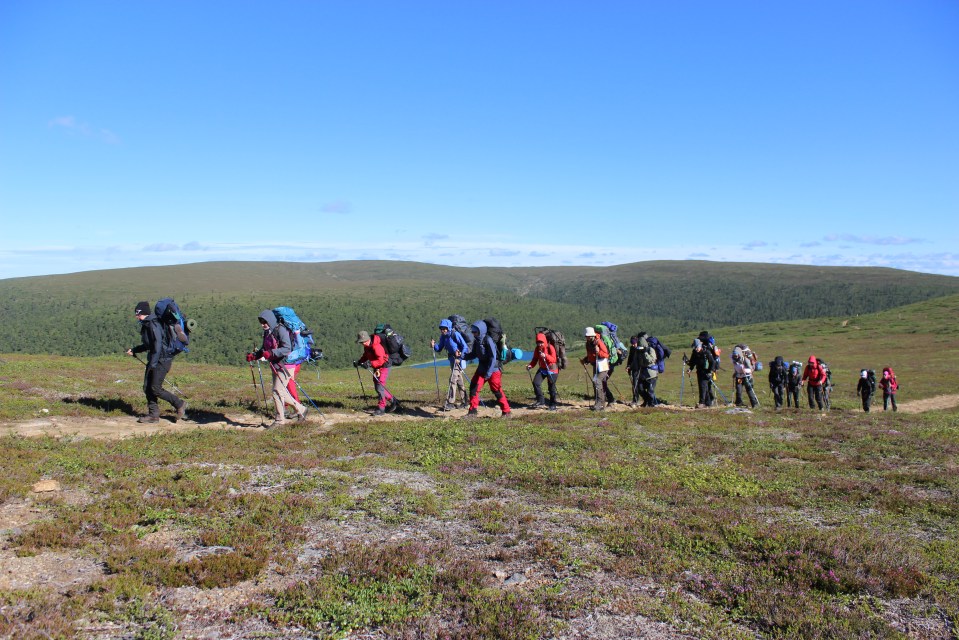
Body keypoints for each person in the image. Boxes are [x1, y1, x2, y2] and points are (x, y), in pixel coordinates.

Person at [126, 301, 188, 424]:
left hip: (162, 360)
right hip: (156, 359)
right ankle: (153, 415)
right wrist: (135, 350)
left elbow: (157, 345)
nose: (136, 316)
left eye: (138, 314)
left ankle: (180, 404)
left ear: (143, 313)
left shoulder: (152, 324)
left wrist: (153, 364)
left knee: (155, 388)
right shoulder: (148, 323)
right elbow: (149, 344)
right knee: (147, 387)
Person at [247, 310, 309, 428]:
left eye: (264, 322)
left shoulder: (281, 330)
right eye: (261, 322)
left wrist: (271, 353)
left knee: (277, 391)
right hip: (276, 364)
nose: (263, 324)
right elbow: (264, 349)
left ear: (270, 320)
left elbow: (287, 348)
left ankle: (279, 421)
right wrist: (255, 356)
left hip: (286, 365)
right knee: (281, 391)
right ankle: (302, 409)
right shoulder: (268, 331)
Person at [459, 320, 511, 418]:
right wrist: (462, 356)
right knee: (474, 387)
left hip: (493, 370)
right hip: (482, 369)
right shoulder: (477, 341)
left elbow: (493, 357)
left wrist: (489, 373)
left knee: (496, 390)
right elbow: (474, 354)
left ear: (481, 331)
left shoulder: (488, 340)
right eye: (472, 331)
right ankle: (472, 412)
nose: (473, 333)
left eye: (475, 331)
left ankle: (507, 411)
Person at [354, 330, 398, 416]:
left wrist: (370, 364)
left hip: (384, 366)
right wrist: (359, 362)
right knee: (377, 387)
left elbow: (381, 361)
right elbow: (366, 355)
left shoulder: (376, 346)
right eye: (361, 342)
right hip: (377, 367)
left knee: (379, 387)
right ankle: (393, 401)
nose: (363, 343)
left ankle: (381, 409)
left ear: (368, 339)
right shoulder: (367, 346)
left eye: (364, 341)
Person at [432, 319, 469, 411]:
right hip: (452, 360)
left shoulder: (455, 334)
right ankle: (465, 401)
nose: (443, 330)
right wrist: (434, 345)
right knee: (459, 381)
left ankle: (450, 403)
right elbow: (439, 348)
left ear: (448, 328)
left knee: (452, 379)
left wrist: (460, 357)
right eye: (441, 329)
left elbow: (465, 346)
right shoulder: (443, 337)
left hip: (459, 360)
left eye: (444, 328)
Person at [580, 326, 609, 411]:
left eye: (588, 336)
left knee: (597, 381)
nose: (587, 337)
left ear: (592, 335)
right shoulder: (588, 343)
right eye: (586, 336)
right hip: (595, 365)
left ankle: (600, 403)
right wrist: (585, 360)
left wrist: (598, 352)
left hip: (603, 365)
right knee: (595, 383)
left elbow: (606, 354)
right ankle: (599, 403)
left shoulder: (599, 342)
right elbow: (590, 355)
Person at [527, 332, 558, 410]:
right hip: (543, 369)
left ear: (544, 341)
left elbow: (554, 359)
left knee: (551, 387)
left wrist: (546, 356)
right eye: (538, 342)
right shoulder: (537, 349)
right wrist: (530, 365)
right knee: (536, 383)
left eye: (541, 342)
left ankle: (553, 404)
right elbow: (535, 359)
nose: (539, 344)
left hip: (552, 369)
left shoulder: (550, 347)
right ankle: (540, 401)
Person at [686, 338, 714, 408]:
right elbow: (692, 362)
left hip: (707, 372)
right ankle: (708, 403)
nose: (696, 349)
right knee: (704, 387)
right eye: (694, 347)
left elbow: (712, 362)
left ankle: (702, 403)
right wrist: (690, 369)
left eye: (697, 347)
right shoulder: (694, 353)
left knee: (703, 386)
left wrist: (710, 371)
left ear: (700, 346)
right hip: (699, 371)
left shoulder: (706, 352)